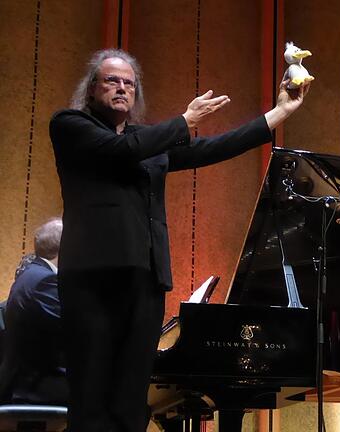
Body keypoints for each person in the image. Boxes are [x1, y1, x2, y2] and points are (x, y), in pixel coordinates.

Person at [49, 48, 310, 432]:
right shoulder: (72, 126)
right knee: (92, 395)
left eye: (129, 83)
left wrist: (280, 113)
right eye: (111, 81)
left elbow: (214, 148)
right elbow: (121, 152)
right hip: (93, 282)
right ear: (91, 90)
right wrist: (185, 121)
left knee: (130, 400)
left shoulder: (145, 141)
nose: (122, 88)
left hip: (145, 281)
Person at [0, 217, 67, 405]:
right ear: (66, 248)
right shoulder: (44, 282)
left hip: (27, 381)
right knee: (121, 403)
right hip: (35, 387)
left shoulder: (33, 274)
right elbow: (73, 331)